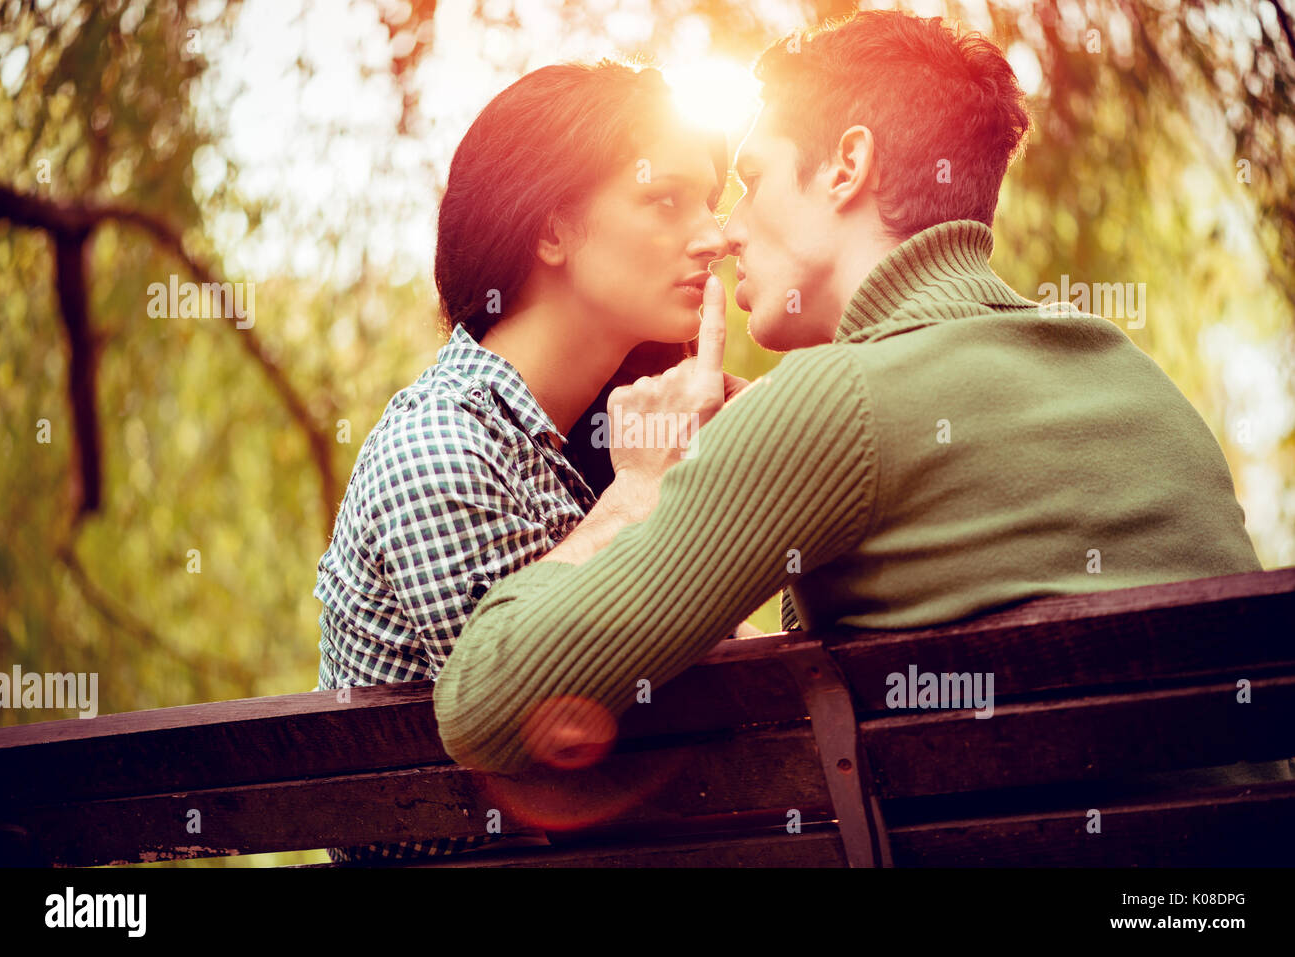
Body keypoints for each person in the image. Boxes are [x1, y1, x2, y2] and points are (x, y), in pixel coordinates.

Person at [432, 9, 1276, 794]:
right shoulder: (1133, 376)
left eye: (754, 178)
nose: (727, 230)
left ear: (847, 166)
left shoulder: (833, 404)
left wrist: (644, 488)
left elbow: (486, 705)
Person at [312, 57, 740, 863]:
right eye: (665, 199)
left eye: (711, 202)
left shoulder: (594, 444)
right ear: (551, 229)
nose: (715, 236)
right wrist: (646, 490)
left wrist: (766, 458)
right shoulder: (440, 446)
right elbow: (532, 731)